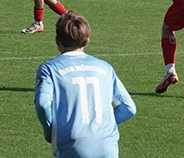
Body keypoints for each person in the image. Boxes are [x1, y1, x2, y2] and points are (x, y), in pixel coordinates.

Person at [34, 11, 136, 157]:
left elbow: (42, 104)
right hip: (107, 146)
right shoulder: (105, 68)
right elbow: (129, 108)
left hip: (73, 145)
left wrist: (50, 131)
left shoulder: (49, 69)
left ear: (57, 41)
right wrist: (101, 127)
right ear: (87, 41)